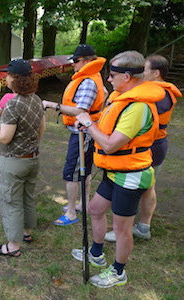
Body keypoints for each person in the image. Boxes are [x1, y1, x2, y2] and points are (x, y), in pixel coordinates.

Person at [71, 50, 165, 288]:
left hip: (131, 175)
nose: (109, 80)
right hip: (115, 172)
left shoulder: (138, 108)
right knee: (95, 208)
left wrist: (88, 123)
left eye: (112, 75)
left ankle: (118, 271)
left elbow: (111, 145)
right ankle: (96, 254)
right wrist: (89, 125)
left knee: (122, 228)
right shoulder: (120, 99)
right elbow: (105, 129)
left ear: (127, 76)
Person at [104, 54, 182, 242]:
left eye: (144, 69)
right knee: (147, 187)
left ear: (155, 73)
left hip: (151, 146)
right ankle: (141, 227)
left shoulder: (158, 95)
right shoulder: (151, 91)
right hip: (152, 145)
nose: (140, 73)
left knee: (133, 187)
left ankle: (129, 227)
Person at [0, 59, 45, 257]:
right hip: (32, 158)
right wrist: (32, 146)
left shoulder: (13, 105)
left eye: (7, 74)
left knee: (10, 201)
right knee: (27, 196)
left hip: (13, 161)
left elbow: (4, 137)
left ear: (15, 79)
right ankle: (26, 232)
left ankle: (13, 246)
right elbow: (41, 128)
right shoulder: (36, 99)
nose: (5, 77)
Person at [42, 44, 106, 226]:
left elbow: (80, 110)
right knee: (83, 170)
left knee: (71, 173)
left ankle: (71, 212)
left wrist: (51, 105)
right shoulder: (93, 77)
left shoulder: (88, 81)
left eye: (76, 62)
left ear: (87, 61)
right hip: (85, 132)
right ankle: (82, 204)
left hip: (83, 134)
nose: (74, 65)